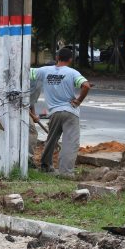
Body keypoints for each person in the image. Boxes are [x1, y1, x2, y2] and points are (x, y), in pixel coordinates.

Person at [31, 47, 91, 178]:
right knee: (70, 142)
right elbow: (86, 85)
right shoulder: (72, 73)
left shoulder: (45, 71)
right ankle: (66, 172)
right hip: (70, 112)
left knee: (51, 139)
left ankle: (46, 166)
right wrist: (78, 100)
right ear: (70, 59)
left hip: (54, 112)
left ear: (57, 58)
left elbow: (27, 73)